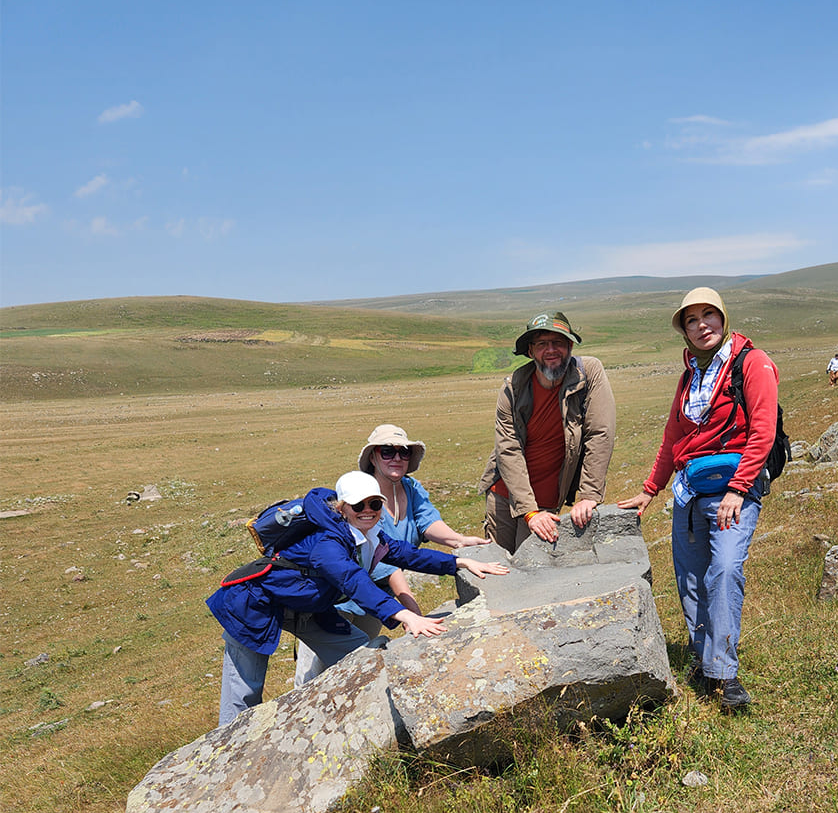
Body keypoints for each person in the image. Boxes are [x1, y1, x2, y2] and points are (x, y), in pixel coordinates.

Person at [208, 471, 509, 726]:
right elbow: (353, 581)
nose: (368, 509)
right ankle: (227, 760)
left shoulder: (370, 534)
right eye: (358, 504)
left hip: (308, 609)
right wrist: (404, 615)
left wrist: (458, 562)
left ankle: (350, 725)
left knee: (364, 657)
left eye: (375, 503)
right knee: (243, 694)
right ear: (341, 508)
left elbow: (408, 554)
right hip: (253, 605)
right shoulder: (327, 543)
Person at [617, 287, 779, 711]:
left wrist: (739, 489)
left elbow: (762, 432)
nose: (702, 324)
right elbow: (674, 436)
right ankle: (703, 660)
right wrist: (650, 490)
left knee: (724, 572)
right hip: (689, 493)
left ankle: (724, 676)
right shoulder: (690, 374)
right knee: (690, 581)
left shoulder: (753, 364)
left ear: (723, 319)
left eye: (709, 315)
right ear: (684, 330)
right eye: (692, 319)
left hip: (732, 493)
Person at [294, 424, 490, 686]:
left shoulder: (411, 488)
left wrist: (459, 543)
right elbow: (387, 562)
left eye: (403, 452)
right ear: (373, 457)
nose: (397, 458)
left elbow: (426, 523)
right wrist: (411, 611)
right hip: (337, 597)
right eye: (387, 451)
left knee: (360, 666)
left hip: (376, 602)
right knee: (314, 675)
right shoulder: (363, 498)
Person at [478, 310, 616, 553]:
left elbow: (600, 432)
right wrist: (529, 511)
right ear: (530, 351)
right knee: (497, 571)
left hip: (548, 503)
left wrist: (589, 494)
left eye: (558, 342)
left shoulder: (589, 373)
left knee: (534, 576)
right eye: (542, 344)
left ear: (570, 346)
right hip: (504, 496)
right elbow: (508, 449)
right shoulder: (513, 388)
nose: (551, 350)